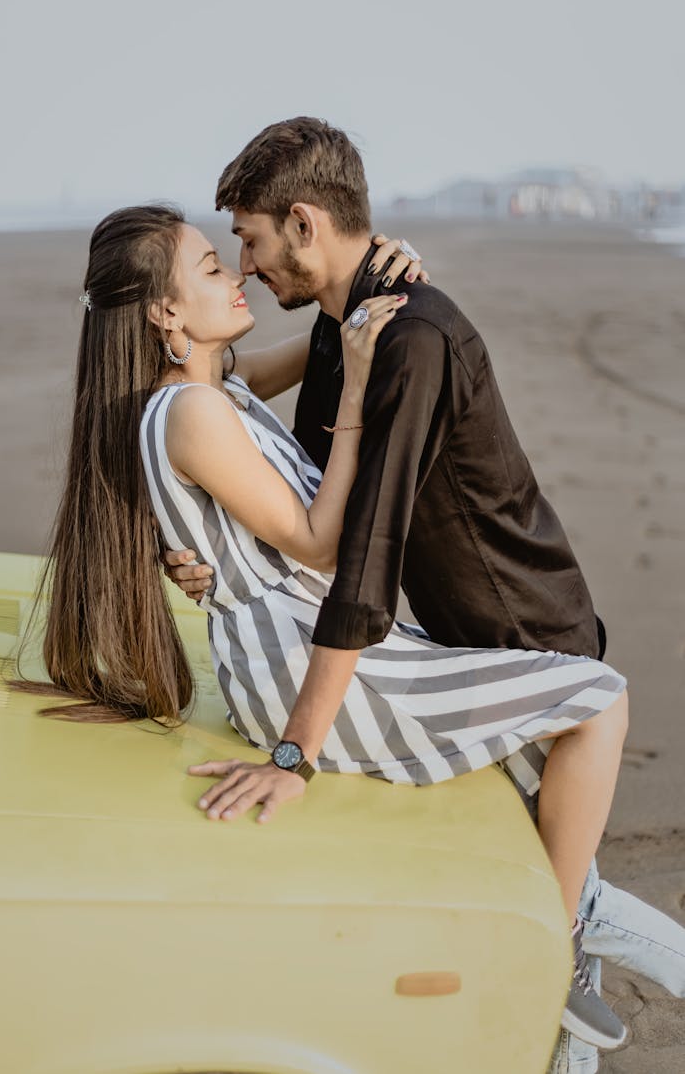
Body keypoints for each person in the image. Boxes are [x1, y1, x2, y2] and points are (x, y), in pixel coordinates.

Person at [32, 198, 633, 1055]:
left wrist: (373, 274)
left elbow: (329, 338)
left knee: (536, 735)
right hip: (291, 653)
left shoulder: (212, 391)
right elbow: (318, 537)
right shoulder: (192, 414)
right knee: (597, 701)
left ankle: (549, 910)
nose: (235, 271)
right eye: (210, 266)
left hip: (294, 631)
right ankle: (555, 940)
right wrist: (354, 390)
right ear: (165, 313)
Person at [162, 118, 685, 1070]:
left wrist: (296, 750)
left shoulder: (409, 341)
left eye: (250, 236)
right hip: (455, 635)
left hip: (526, 630)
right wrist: (197, 549)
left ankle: (554, 982)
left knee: (565, 909)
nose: (244, 260)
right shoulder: (344, 328)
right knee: (570, 899)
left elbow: (364, 555)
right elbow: (289, 467)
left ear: (306, 224)